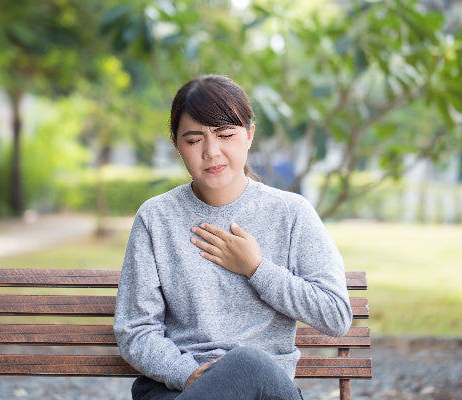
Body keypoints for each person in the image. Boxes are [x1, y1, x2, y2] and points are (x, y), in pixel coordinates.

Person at [114, 75, 352, 400]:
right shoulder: (156, 218)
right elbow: (136, 329)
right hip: (179, 390)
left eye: (225, 134)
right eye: (194, 140)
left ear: (250, 135)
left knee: (248, 363)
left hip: (265, 392)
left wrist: (257, 268)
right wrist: (185, 373)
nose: (211, 152)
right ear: (177, 145)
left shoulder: (291, 213)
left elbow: (336, 316)